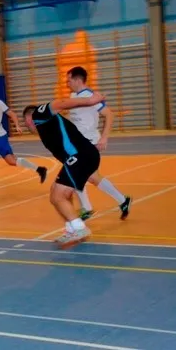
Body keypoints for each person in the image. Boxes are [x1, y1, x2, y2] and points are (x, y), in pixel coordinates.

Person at [23, 91, 107, 249]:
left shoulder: (38, 114)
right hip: (79, 158)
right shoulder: (46, 130)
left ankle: (80, 228)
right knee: (58, 193)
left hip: (80, 156)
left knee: (57, 196)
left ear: (29, 118)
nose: (27, 126)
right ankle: (71, 229)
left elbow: (60, 103)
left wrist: (90, 101)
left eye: (26, 122)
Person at [65, 66, 131, 220]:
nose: (67, 83)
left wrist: (104, 137)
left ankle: (87, 208)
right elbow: (74, 117)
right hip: (77, 142)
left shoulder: (91, 96)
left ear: (77, 80)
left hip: (90, 141)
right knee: (91, 176)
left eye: (69, 80)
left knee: (74, 172)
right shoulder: (73, 95)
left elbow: (109, 114)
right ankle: (122, 200)